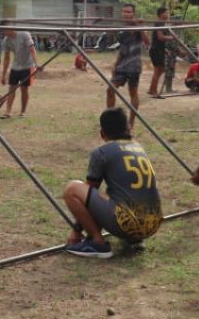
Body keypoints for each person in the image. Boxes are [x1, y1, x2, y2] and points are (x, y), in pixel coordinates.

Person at [62, 108, 163, 258]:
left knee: (72, 189)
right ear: (127, 128)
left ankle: (98, 243)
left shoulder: (102, 152)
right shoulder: (138, 148)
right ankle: (134, 239)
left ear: (102, 133)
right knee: (115, 195)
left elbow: (89, 192)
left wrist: (76, 231)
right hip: (153, 224)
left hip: (126, 223)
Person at [107, 4, 148, 131]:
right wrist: (115, 64)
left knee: (133, 94)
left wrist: (139, 26)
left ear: (133, 14)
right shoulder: (121, 29)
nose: (126, 14)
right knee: (110, 90)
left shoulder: (138, 26)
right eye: (124, 11)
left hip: (134, 66)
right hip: (122, 65)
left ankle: (131, 123)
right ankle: (110, 120)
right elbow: (123, 49)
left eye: (129, 12)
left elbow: (147, 42)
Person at [0, 27, 39, 118]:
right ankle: (8, 112)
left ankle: (23, 111)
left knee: (24, 89)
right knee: (11, 89)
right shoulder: (6, 40)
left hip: (27, 66)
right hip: (15, 66)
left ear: (9, 28)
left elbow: (32, 50)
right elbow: (6, 58)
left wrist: (36, 64)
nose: (3, 33)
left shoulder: (24, 34)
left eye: (4, 31)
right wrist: (4, 75)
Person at [147, 7, 175, 96]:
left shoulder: (161, 23)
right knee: (158, 70)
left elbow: (157, 39)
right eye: (166, 13)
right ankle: (153, 91)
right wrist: (172, 38)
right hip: (156, 50)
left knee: (160, 70)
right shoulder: (159, 23)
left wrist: (165, 50)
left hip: (158, 49)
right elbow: (160, 37)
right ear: (161, 14)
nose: (167, 15)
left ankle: (152, 89)